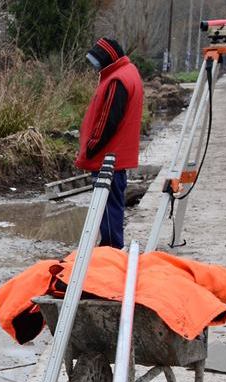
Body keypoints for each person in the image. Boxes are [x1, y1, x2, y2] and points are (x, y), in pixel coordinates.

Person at [77, 38, 143, 250]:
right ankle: (110, 250)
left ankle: (110, 252)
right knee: (111, 207)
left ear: (106, 59)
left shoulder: (117, 80)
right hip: (116, 156)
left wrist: (90, 147)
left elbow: (107, 121)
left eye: (96, 61)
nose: (94, 66)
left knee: (107, 209)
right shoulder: (127, 72)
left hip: (107, 157)